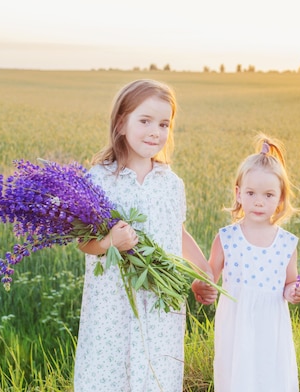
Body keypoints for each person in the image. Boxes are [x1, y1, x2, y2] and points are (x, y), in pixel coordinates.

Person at [73, 79, 218, 391]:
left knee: (156, 373)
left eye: (164, 124)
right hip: (112, 300)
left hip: (159, 302)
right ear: (121, 122)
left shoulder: (171, 183)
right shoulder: (98, 180)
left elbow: (176, 232)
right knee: (107, 372)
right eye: (145, 121)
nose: (156, 132)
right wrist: (111, 242)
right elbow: (84, 242)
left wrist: (203, 273)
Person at [207, 133, 300, 392]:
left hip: (270, 326)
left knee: (269, 377)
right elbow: (209, 278)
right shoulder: (227, 237)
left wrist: (294, 291)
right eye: (251, 193)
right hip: (236, 326)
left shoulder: (286, 243)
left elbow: (288, 283)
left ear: (280, 199)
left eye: (268, 195)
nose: (259, 201)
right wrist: (202, 288)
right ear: (238, 194)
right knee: (235, 376)